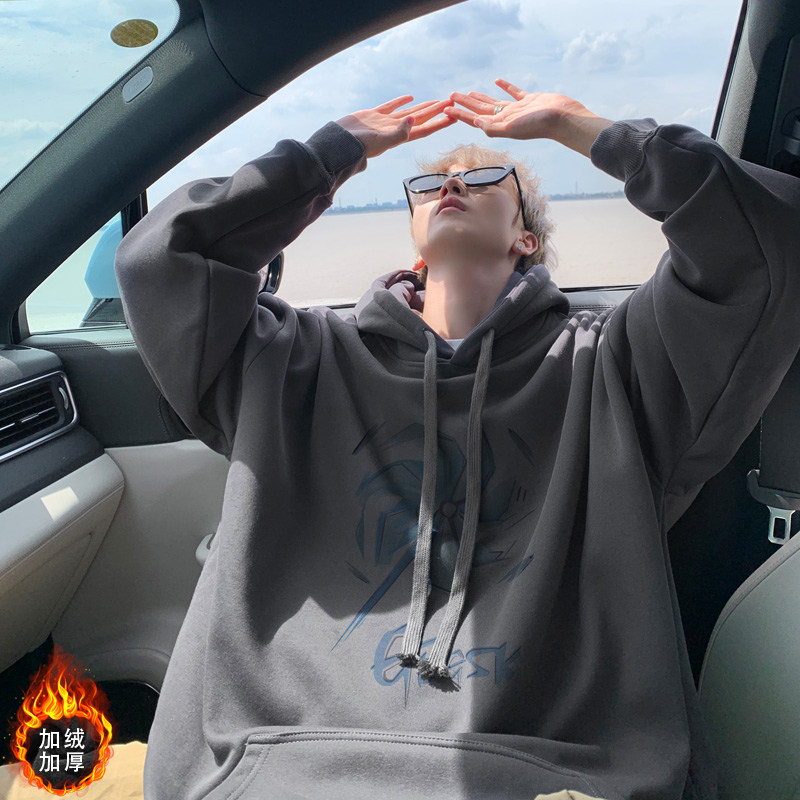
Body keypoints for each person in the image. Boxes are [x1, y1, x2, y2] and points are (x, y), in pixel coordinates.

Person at [111, 79, 800, 800]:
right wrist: (326, 157)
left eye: (484, 178)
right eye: (431, 185)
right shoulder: (293, 361)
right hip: (274, 772)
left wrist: (583, 128)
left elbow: (762, 247)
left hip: (557, 776)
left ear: (526, 240)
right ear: (415, 246)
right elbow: (163, 261)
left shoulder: (614, 367)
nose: (450, 187)